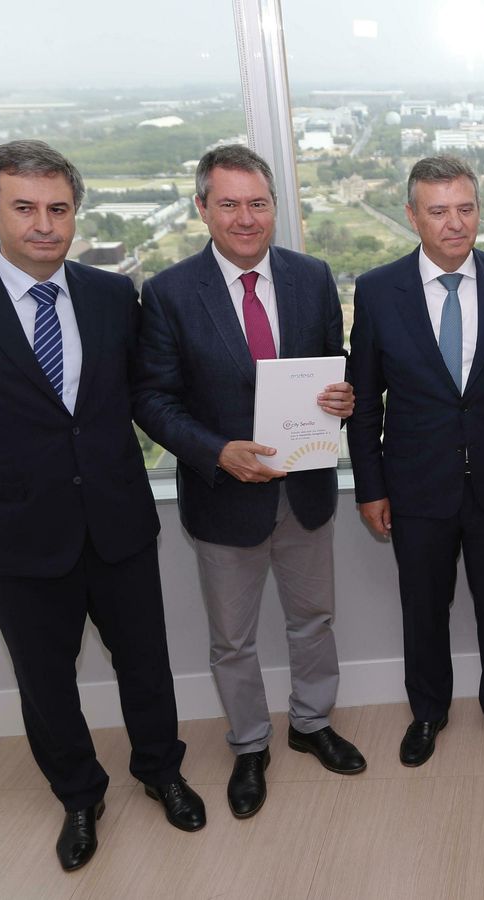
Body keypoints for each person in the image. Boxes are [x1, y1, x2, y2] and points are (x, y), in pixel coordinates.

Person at [0, 140, 203, 871]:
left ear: (75, 213)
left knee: (147, 663)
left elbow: (136, 394)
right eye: (25, 208)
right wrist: (13, 468)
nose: (44, 225)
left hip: (117, 517)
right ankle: (78, 793)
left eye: (58, 209)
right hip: (16, 528)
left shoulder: (110, 295)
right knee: (44, 679)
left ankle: (161, 770)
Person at [133, 144, 364, 821]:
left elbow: (333, 362)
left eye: (257, 203)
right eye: (228, 203)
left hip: (305, 487)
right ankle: (251, 744)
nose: (245, 218)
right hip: (225, 494)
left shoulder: (312, 276)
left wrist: (340, 397)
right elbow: (152, 398)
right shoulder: (170, 293)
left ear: (274, 208)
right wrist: (216, 450)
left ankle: (312, 723)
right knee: (232, 639)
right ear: (202, 207)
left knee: (313, 620)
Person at [348, 155, 484, 767]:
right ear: (412, 215)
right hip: (415, 487)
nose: (454, 223)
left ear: (479, 212)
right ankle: (428, 712)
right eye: (438, 211)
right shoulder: (377, 290)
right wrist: (370, 486)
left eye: (465, 208)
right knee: (423, 608)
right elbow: (365, 406)